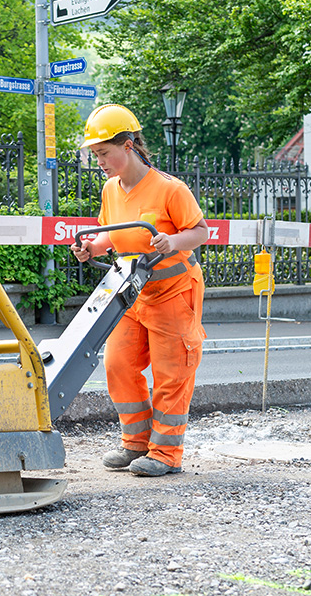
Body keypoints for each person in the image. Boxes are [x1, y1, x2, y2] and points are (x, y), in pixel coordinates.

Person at [70, 103, 209, 477]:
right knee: (118, 365)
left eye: (103, 153)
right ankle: (136, 443)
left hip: (173, 291)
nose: (98, 160)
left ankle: (165, 453)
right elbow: (113, 237)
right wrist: (92, 249)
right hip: (133, 293)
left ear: (128, 146)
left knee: (171, 372)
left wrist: (172, 241)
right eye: (95, 154)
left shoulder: (169, 189)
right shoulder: (111, 190)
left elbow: (200, 233)